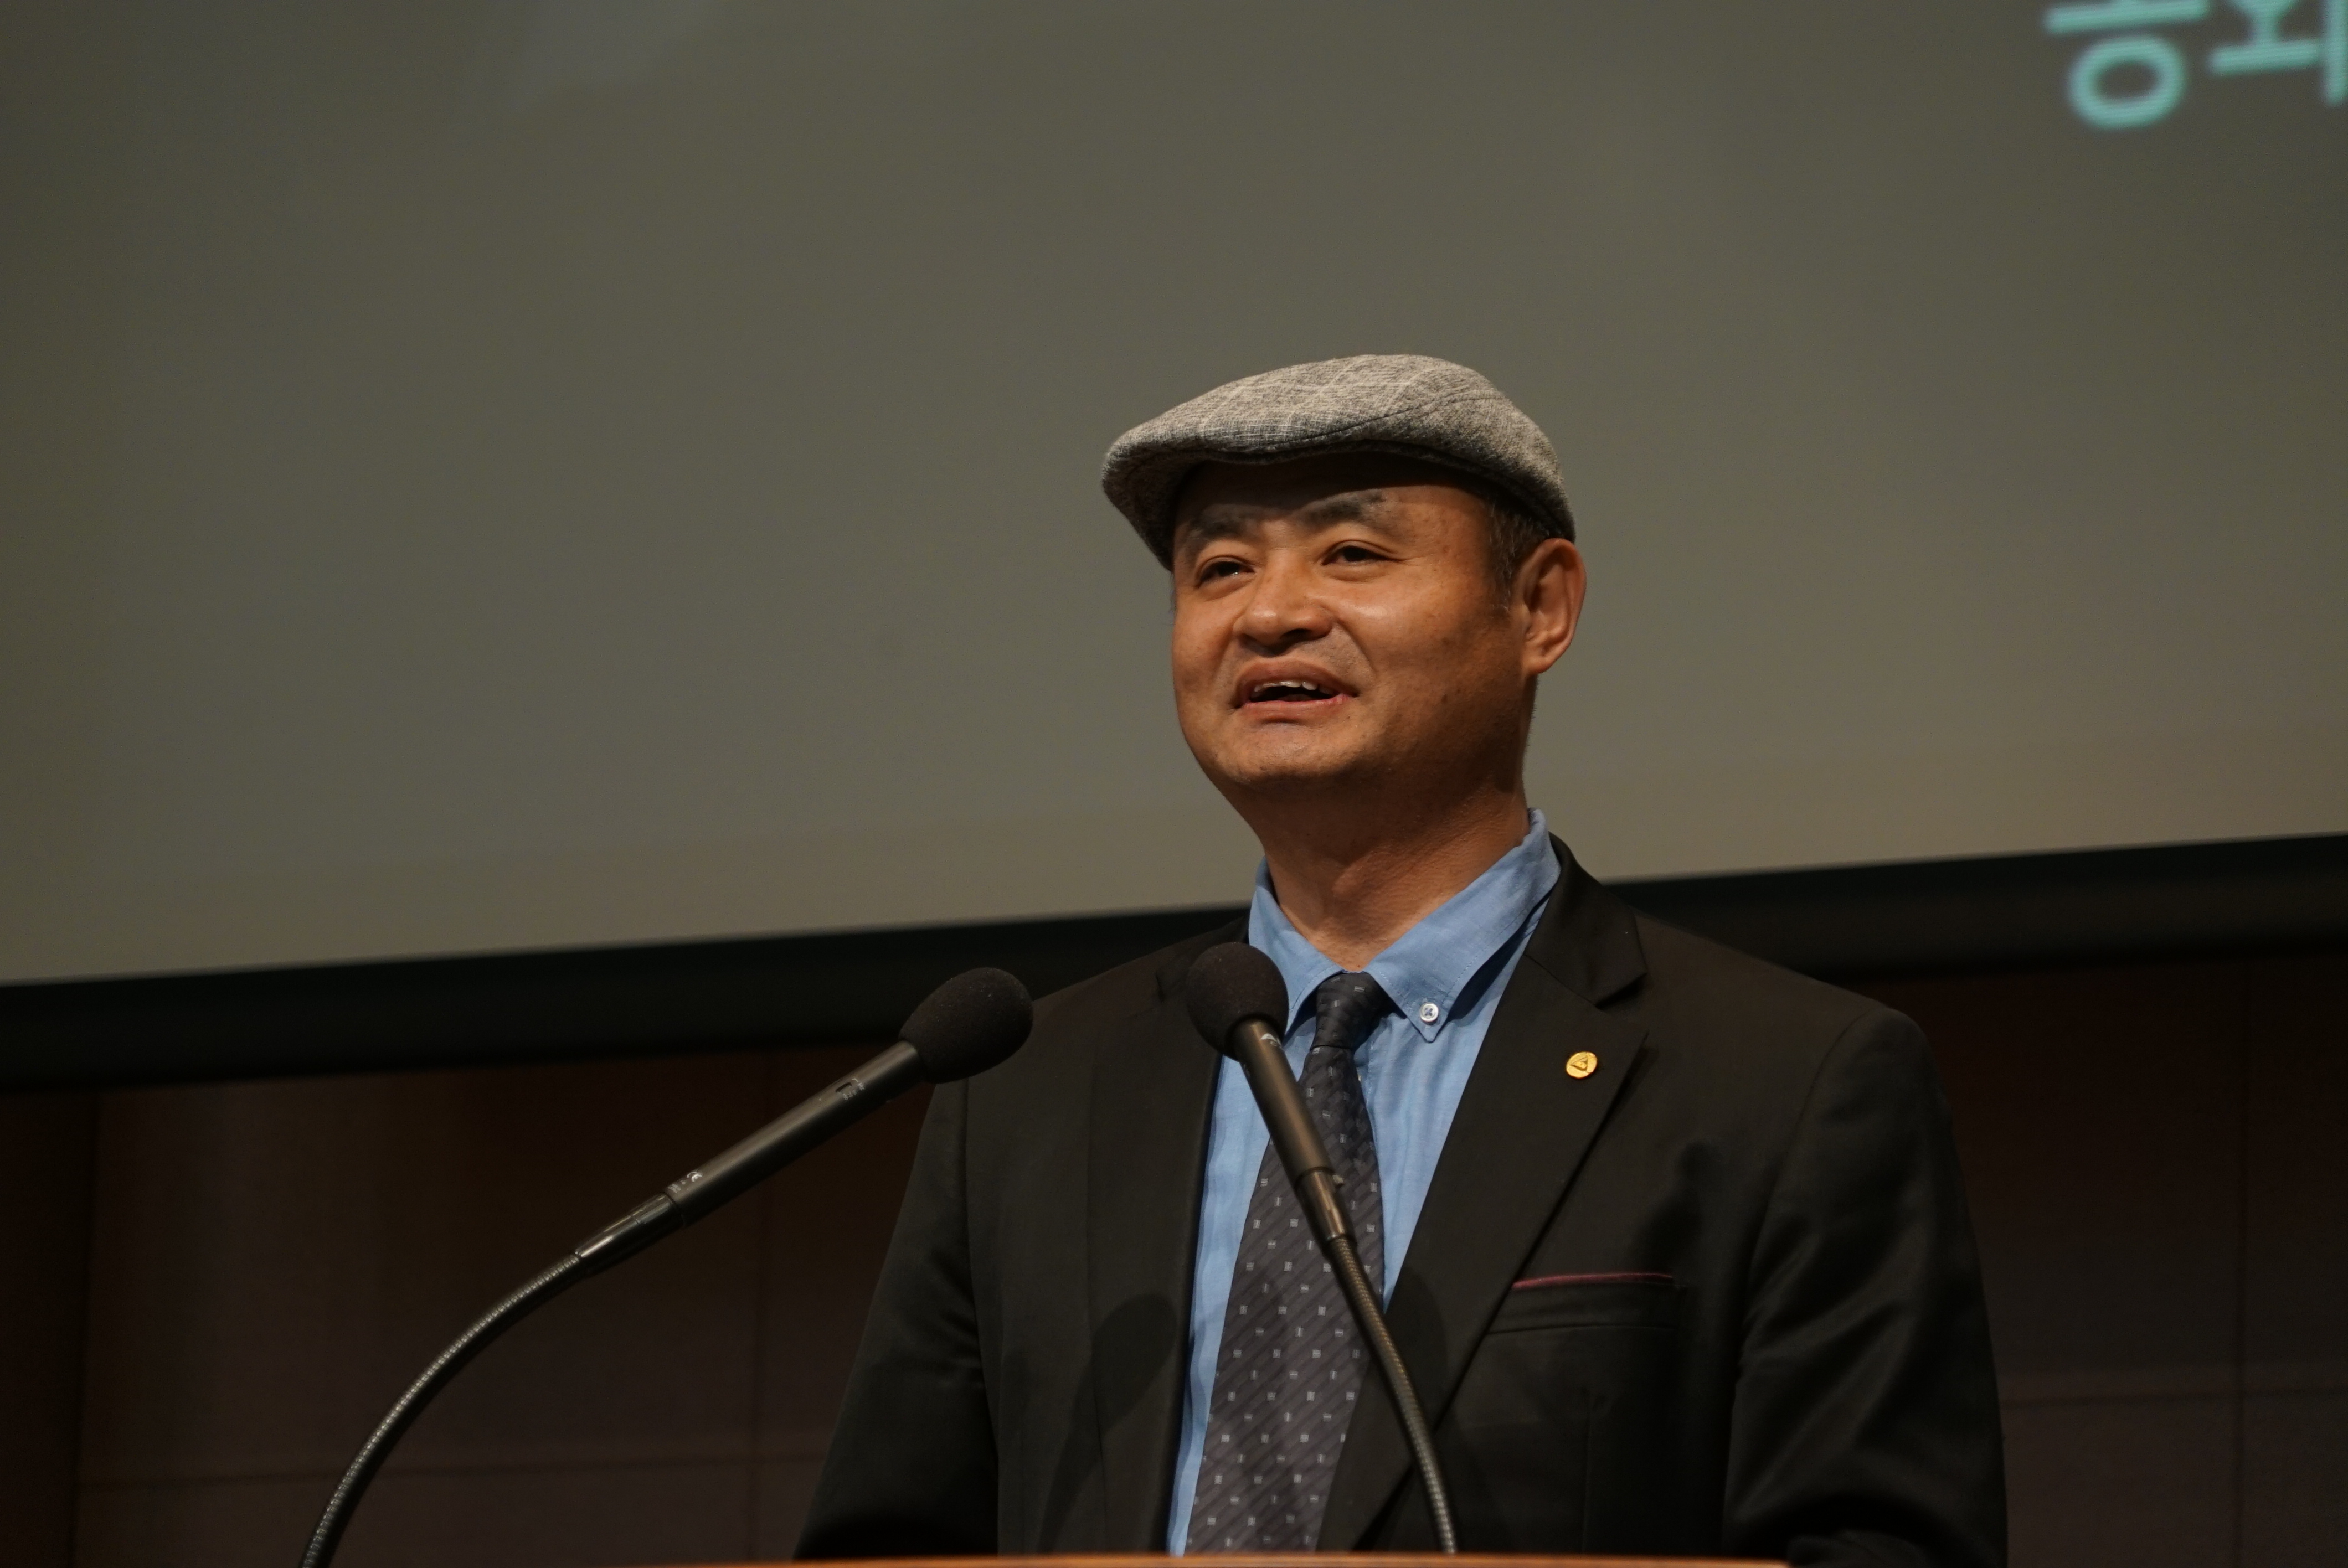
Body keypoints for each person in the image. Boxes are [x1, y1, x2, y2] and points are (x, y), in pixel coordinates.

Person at [797, 355, 2004, 1565]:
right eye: (1219, 569)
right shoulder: (1029, 1090)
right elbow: (889, 1551)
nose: (1268, 614)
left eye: (1351, 554)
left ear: (1540, 608)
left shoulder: (1785, 1082)